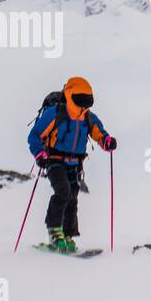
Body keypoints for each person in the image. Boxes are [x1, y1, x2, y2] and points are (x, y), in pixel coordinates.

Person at [27, 76, 116, 252]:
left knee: (72, 198)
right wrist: (40, 154)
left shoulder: (88, 117)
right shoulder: (54, 113)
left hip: (75, 163)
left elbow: (100, 134)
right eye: (80, 102)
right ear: (69, 95)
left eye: (87, 103)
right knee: (63, 193)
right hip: (54, 160)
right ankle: (54, 232)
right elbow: (34, 136)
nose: (84, 106)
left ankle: (67, 235)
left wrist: (106, 141)